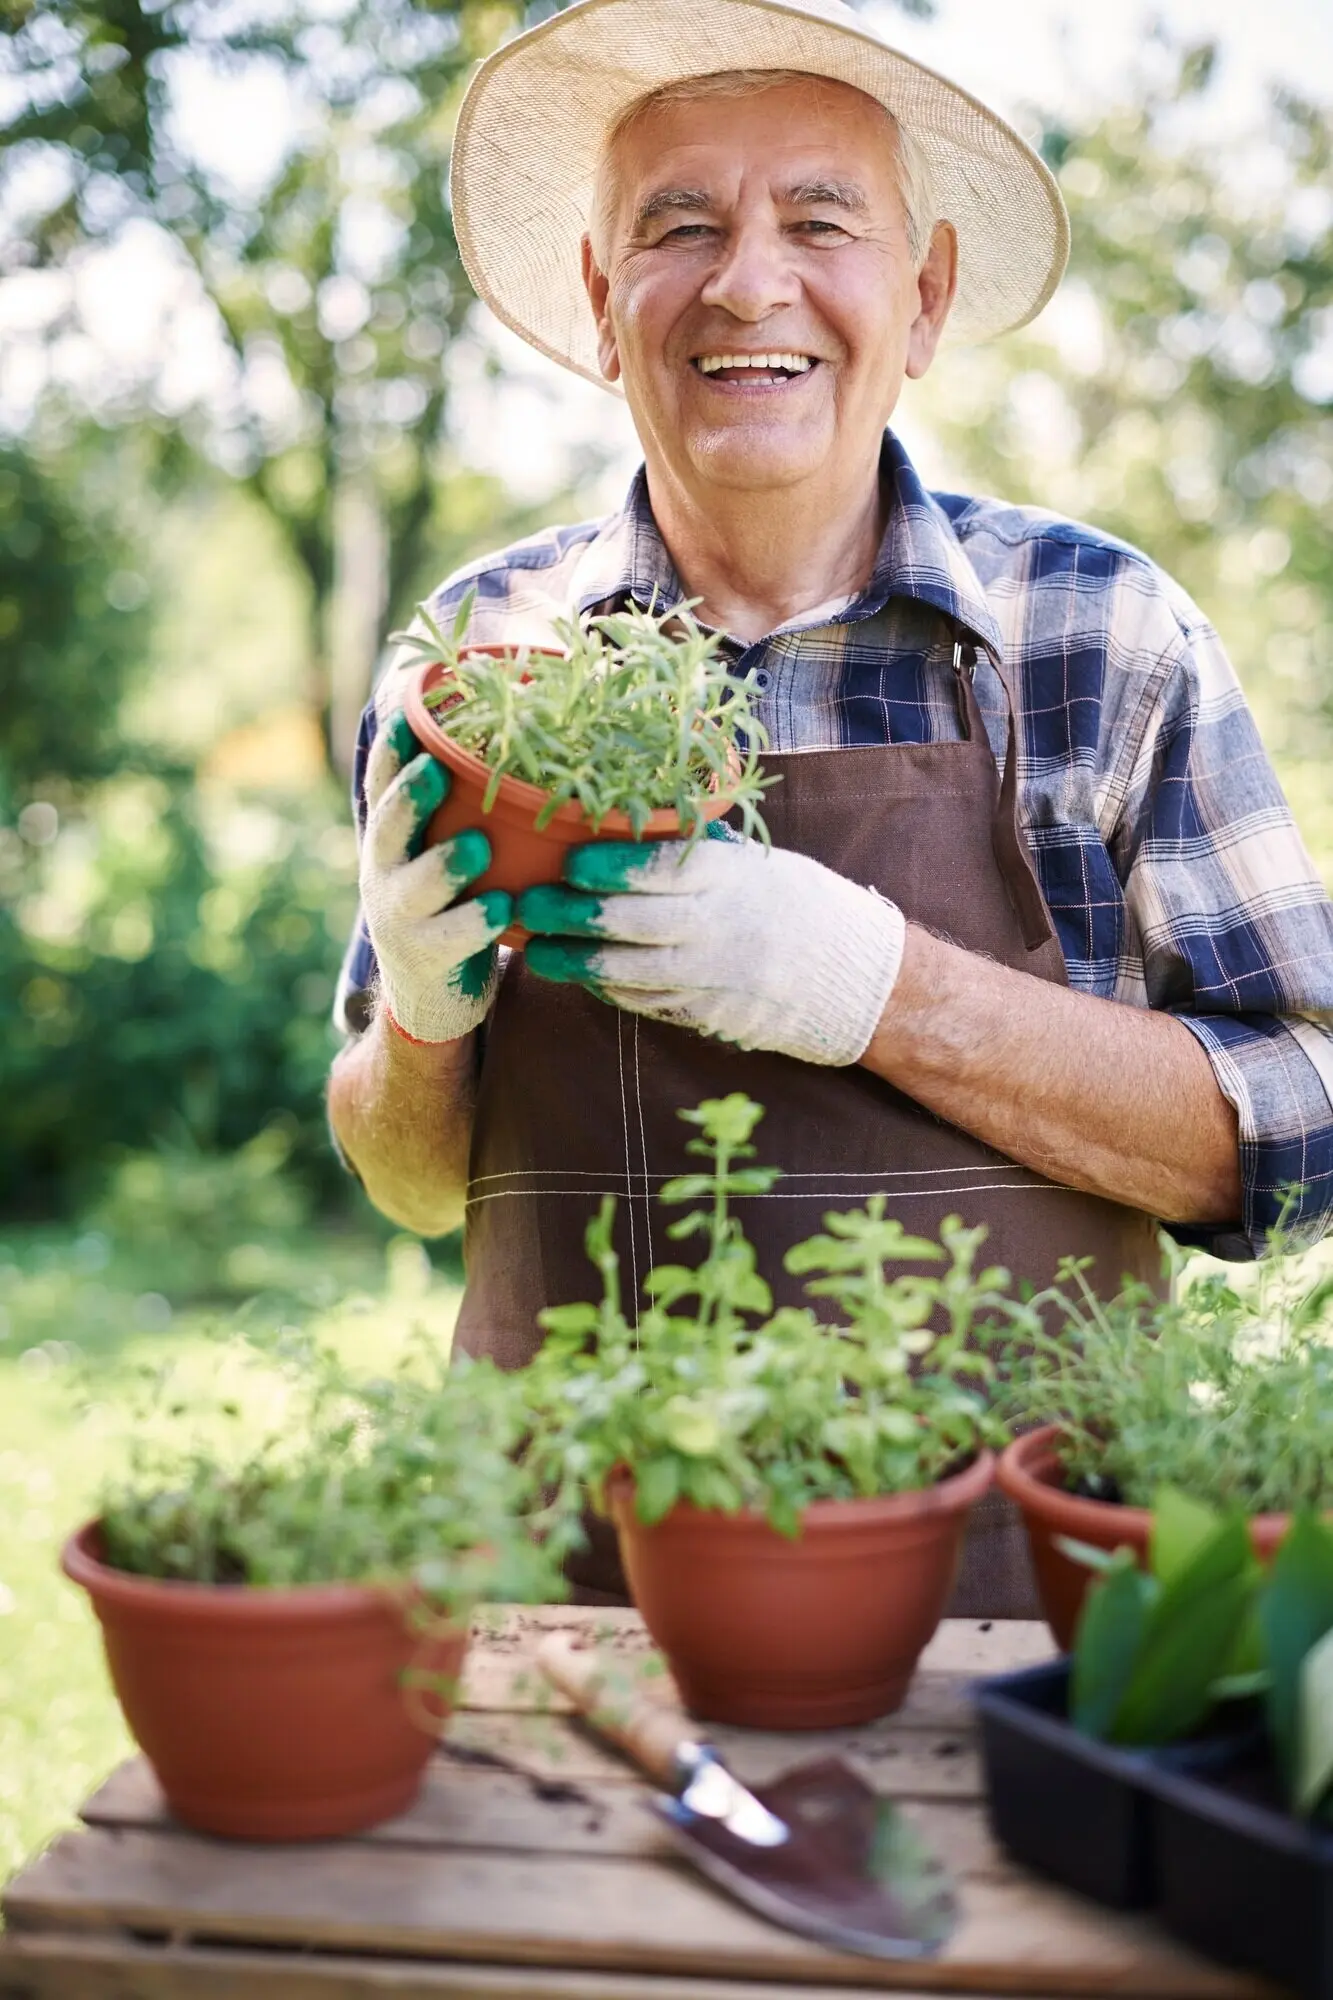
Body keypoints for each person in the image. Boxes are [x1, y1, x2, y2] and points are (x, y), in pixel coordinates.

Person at [327, 0, 1333, 1609]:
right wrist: (427, 1026)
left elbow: (1307, 1120)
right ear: (601, 300)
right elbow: (409, 1178)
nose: (747, 280)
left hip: (1015, 1611)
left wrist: (878, 990)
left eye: (818, 218)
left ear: (921, 296)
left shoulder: (1099, 634)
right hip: (563, 1613)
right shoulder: (480, 671)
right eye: (678, 225)